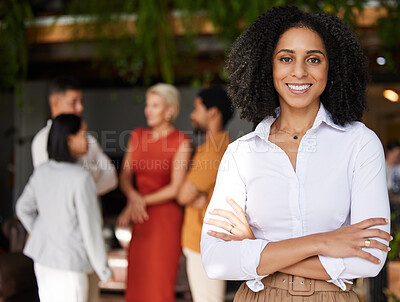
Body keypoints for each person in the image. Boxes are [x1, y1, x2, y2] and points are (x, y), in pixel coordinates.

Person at [200, 6, 392, 302]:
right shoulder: (241, 153)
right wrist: (324, 242)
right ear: (268, 67)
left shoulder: (359, 144)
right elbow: (216, 260)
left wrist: (256, 248)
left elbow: (369, 258)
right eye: (286, 58)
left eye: (313, 59)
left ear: (332, 67)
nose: (299, 72)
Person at [16, 114, 112, 302]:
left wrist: (41, 233)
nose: (87, 141)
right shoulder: (81, 178)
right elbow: (91, 230)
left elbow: (23, 208)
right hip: (70, 266)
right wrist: (104, 270)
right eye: (83, 135)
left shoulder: (43, 171)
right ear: (69, 139)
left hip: (43, 261)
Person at [117, 83, 192, 302]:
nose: (147, 110)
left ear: (170, 110)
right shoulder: (137, 136)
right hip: (140, 219)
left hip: (164, 221)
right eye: (147, 105)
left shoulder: (181, 142)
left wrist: (138, 201)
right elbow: (125, 175)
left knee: (159, 284)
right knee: (138, 282)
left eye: (155, 105)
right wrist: (133, 197)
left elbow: (175, 188)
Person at [177, 86, 233, 302]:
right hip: (201, 241)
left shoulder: (215, 151)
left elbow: (183, 195)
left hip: (205, 243)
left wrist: (193, 195)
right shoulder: (211, 147)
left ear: (212, 112)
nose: (192, 114)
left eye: (196, 108)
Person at [31, 76, 118, 196]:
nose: (80, 107)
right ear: (54, 103)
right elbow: (54, 185)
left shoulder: (90, 139)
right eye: (74, 102)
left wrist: (79, 184)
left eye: (81, 102)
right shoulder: (43, 140)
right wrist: (96, 170)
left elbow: (111, 178)